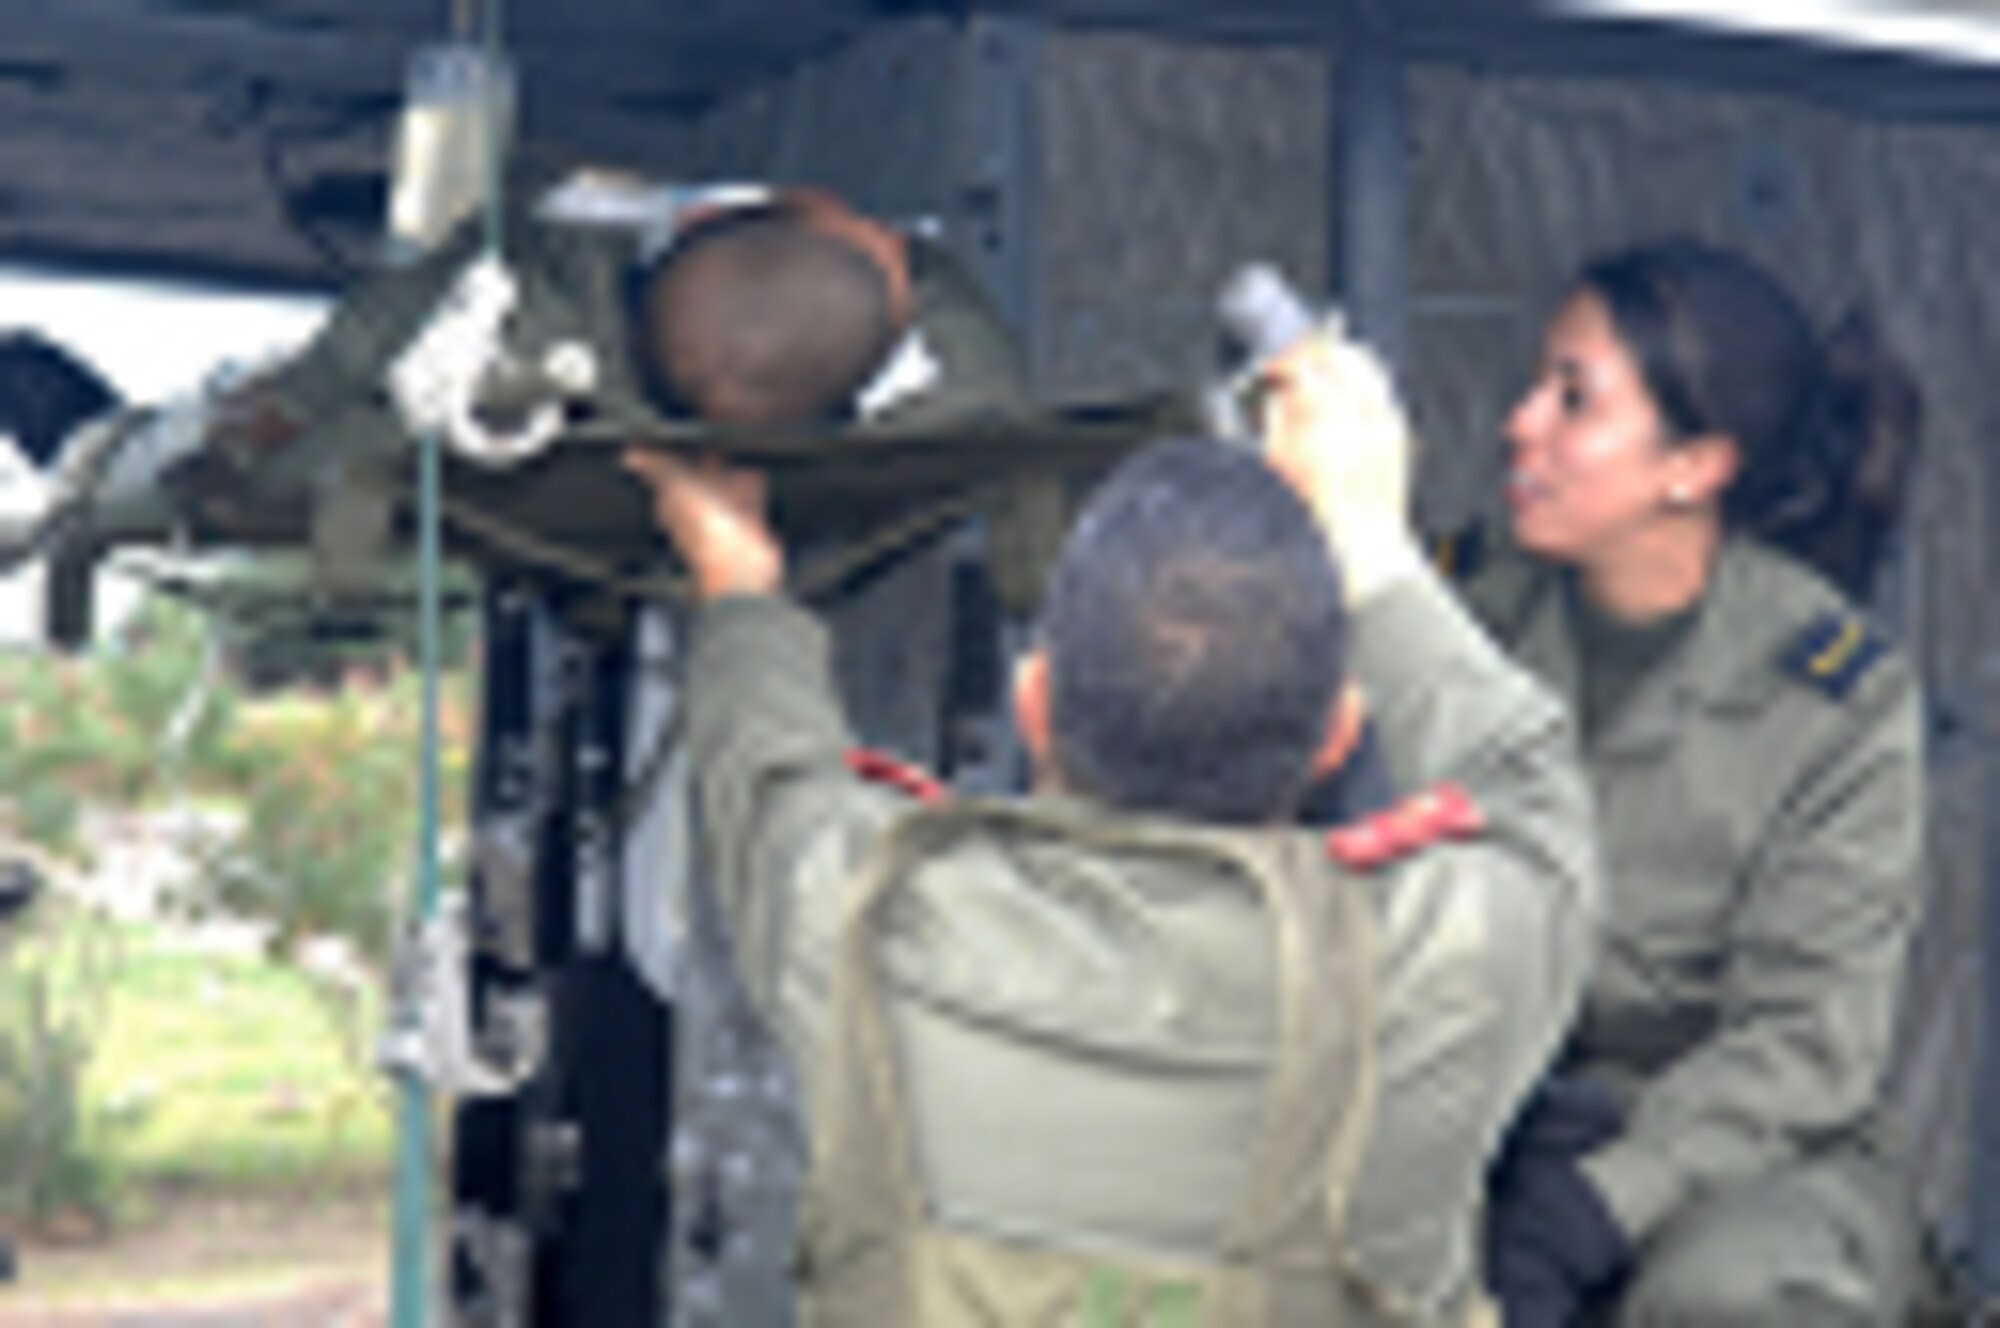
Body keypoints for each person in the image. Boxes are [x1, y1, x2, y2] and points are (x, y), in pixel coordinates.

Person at [623, 328, 1599, 1325]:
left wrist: (734, 576)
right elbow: (1529, 789)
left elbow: (766, 758)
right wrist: (1364, 537)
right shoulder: (1435, 974)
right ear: (1337, 734)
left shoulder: (870, 916)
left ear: (1033, 700)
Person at [1467, 239, 1929, 1326]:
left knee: (1732, 1296)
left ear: (1693, 466)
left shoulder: (1833, 697)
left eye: (1571, 400)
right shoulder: (1466, 624)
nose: (1519, 422)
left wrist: (1599, 1197)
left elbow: (1808, 1045)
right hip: (1486, 1115)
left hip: (1743, 1147)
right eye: (1536, 383)